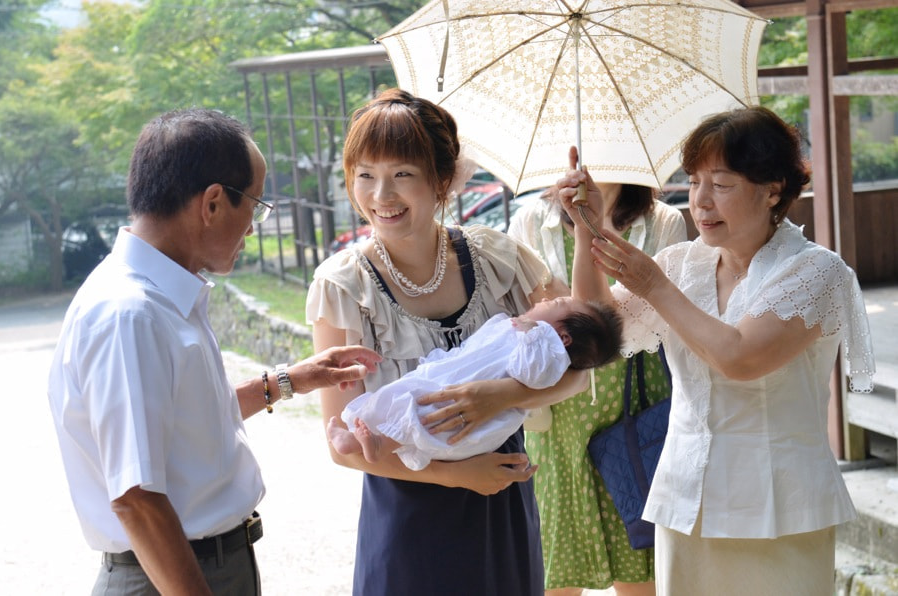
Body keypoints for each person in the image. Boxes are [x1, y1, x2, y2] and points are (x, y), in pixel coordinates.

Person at [47, 108, 381, 596]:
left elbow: (187, 422)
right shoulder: (131, 315)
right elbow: (136, 499)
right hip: (169, 575)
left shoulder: (163, 295)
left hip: (204, 565)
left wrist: (289, 381)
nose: (255, 226)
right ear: (212, 204)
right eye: (256, 205)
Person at [560, 105, 875, 595]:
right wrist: (587, 230)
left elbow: (740, 358)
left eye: (722, 184)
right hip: (686, 500)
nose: (701, 201)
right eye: (693, 181)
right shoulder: (683, 263)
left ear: (773, 189)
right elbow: (599, 329)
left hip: (779, 507)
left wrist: (655, 286)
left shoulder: (816, 271)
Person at [306, 88, 594, 595]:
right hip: (407, 512)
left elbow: (579, 364)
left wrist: (500, 397)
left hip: (501, 499)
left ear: (441, 180)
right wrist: (453, 475)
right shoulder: (343, 286)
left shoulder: (497, 258)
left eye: (402, 175)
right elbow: (343, 446)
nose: (380, 196)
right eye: (364, 176)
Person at [508, 173, 686, 595]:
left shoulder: (662, 222)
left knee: (642, 571)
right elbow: (521, 319)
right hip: (559, 418)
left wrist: (559, 292)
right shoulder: (533, 220)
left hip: (637, 408)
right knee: (556, 573)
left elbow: (635, 322)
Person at [328, 296, 622, 470]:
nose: (545, 300)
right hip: (453, 381)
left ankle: (375, 443)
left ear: (563, 338)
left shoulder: (547, 355)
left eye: (556, 303)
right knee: (402, 397)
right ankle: (366, 435)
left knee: (418, 411)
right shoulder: (518, 330)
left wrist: (533, 333)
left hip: (462, 406)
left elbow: (532, 374)